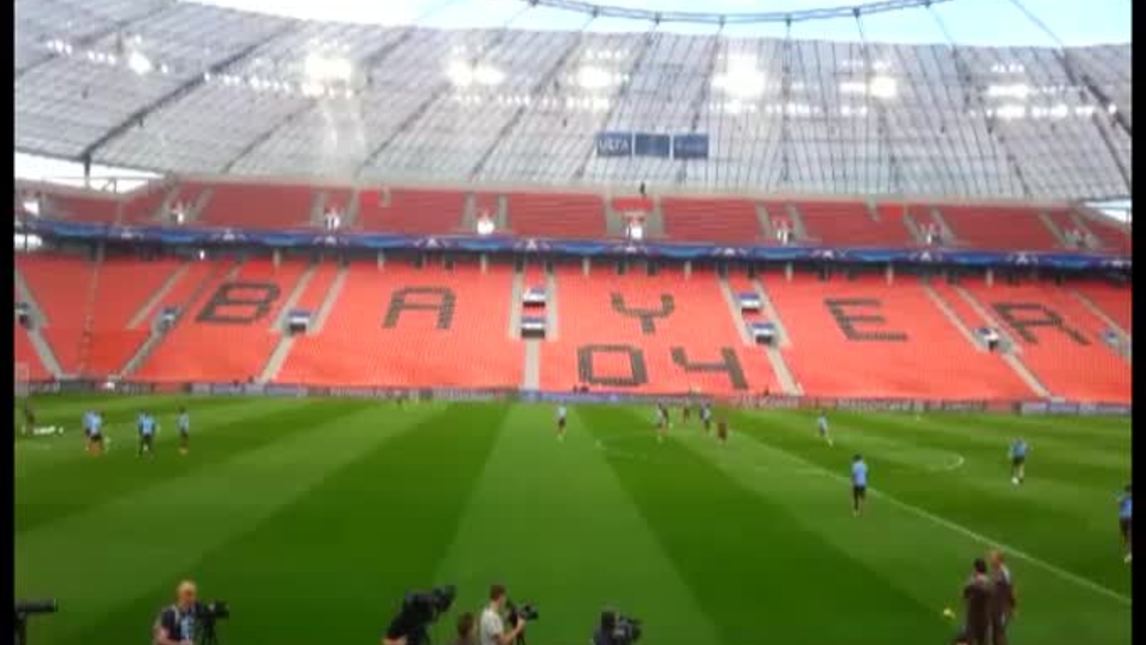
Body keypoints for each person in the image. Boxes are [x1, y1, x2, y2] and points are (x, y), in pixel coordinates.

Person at [960, 558, 994, 645]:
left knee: (970, 639)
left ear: (976, 569)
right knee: (983, 641)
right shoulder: (990, 582)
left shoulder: (973, 581)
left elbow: (964, 594)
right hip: (985, 616)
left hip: (973, 616)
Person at [153, 580, 198, 645]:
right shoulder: (170, 614)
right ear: (183, 596)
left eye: (193, 595)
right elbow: (161, 639)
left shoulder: (190, 611)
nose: (193, 598)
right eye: (190, 595)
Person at [988, 550, 1016, 645]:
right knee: (994, 635)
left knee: (999, 634)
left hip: (1002, 610)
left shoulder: (1005, 573)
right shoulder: (994, 570)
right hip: (994, 608)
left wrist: (1012, 607)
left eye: (992, 558)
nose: (990, 560)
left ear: (999, 560)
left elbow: (1011, 590)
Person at [1118, 484, 1132, 563]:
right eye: (1127, 491)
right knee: (1126, 536)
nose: (1129, 493)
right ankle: (1129, 549)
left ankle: (1130, 554)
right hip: (1123, 519)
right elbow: (1119, 503)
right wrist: (1125, 498)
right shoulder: (1123, 498)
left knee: (1129, 535)